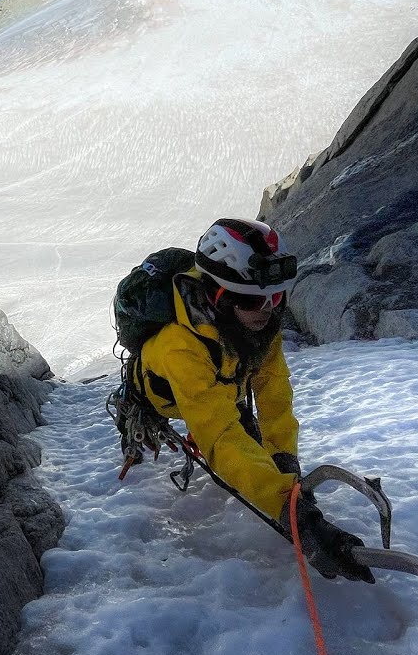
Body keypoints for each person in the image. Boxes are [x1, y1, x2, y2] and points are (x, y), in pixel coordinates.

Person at [136, 217, 374, 583]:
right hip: (170, 397)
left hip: (224, 382)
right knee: (237, 439)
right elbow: (218, 435)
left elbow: (273, 391)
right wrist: (288, 509)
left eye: (276, 296)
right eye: (252, 299)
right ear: (219, 296)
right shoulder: (179, 347)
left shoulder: (258, 321)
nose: (268, 308)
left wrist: (283, 457)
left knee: (250, 441)